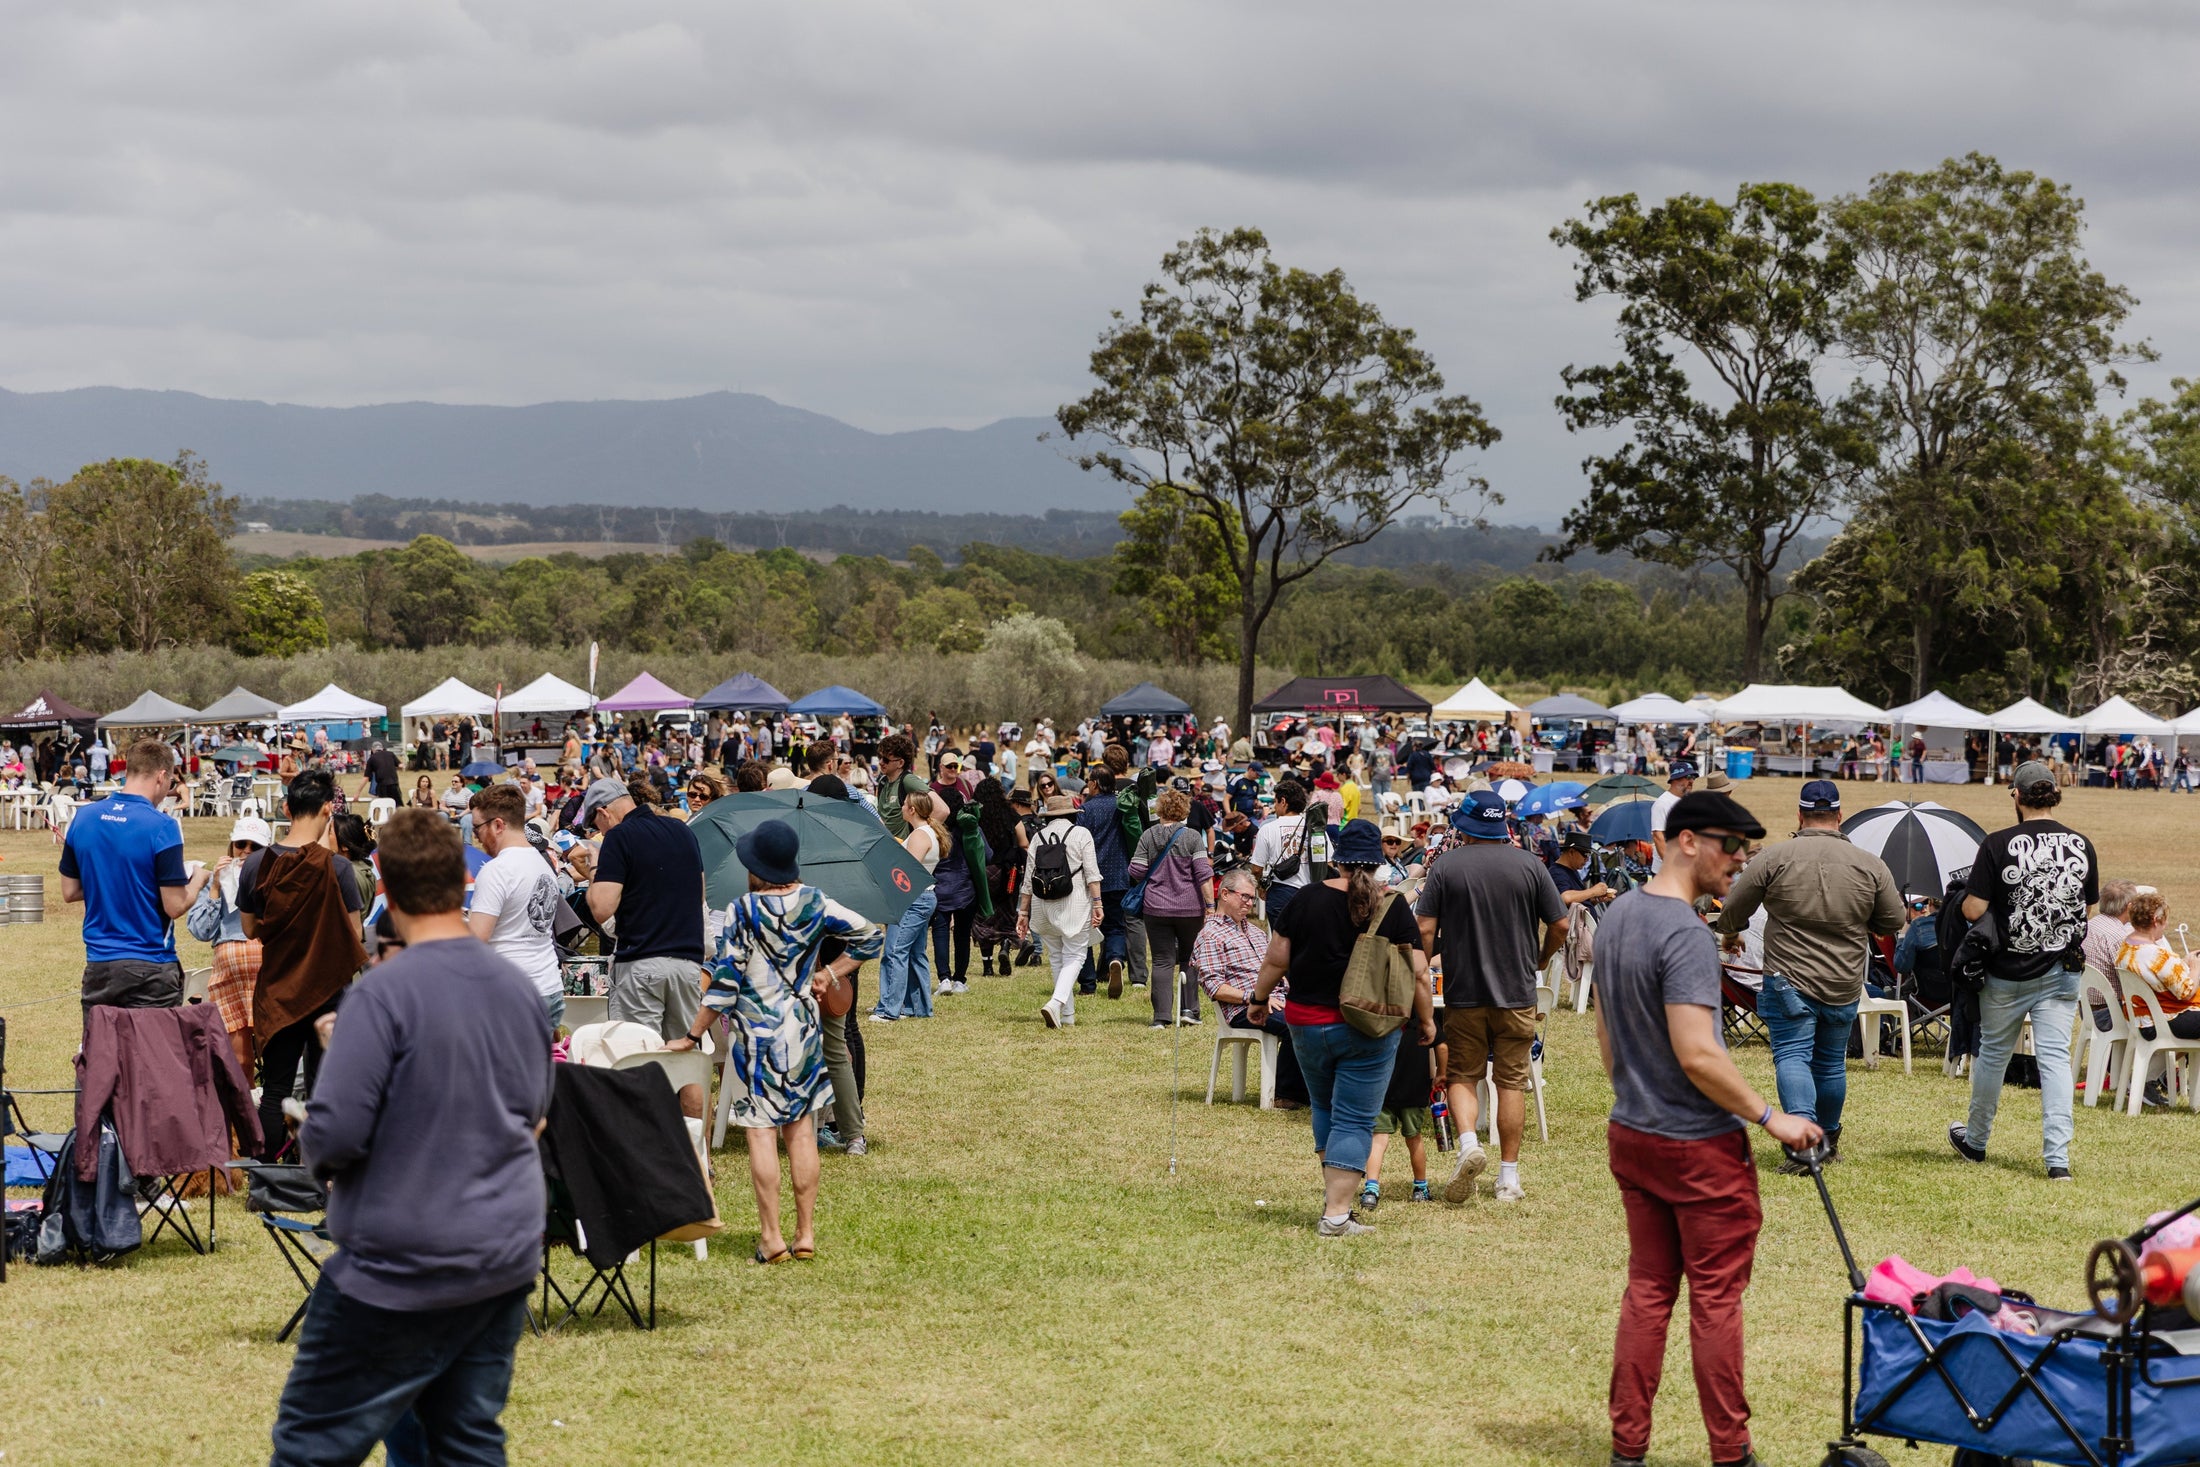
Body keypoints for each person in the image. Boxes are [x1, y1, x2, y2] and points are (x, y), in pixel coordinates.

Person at [267, 810, 552, 1466]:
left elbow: (335, 1131)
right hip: (500, 1254)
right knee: (459, 1441)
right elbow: (534, 1111)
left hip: (399, 1268)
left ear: (386, 894)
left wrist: (313, 1139)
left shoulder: (381, 995)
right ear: (464, 879)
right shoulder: (520, 990)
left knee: (312, 1445)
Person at [1595, 788, 1819, 1467]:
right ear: (1687, 839)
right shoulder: (1687, 933)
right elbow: (1697, 1050)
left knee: (1648, 1289)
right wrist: (1771, 1115)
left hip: (1633, 1131)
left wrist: (1638, 1091)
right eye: (1731, 847)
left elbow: (1608, 1040)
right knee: (1715, 1299)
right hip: (1697, 1145)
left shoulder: (1616, 916)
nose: (1739, 862)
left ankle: (1627, 1446)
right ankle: (1732, 1451)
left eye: (1747, 851)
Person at [663, 819, 880, 1263]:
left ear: (756, 867)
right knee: (801, 1132)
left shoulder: (743, 910)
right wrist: (829, 972)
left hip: (756, 1037)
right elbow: (869, 935)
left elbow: (724, 984)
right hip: (802, 1030)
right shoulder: (815, 902)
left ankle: (771, 1236)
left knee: (761, 1135)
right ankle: (805, 1234)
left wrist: (692, 1034)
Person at [1248, 819, 1434, 1238]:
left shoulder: (1305, 898)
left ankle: (1337, 1197)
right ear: (1380, 861)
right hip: (1369, 1027)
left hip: (1305, 1024)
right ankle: (1335, 1215)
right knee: (1354, 1118)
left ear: (1336, 860)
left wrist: (1259, 1002)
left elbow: (1277, 959)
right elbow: (1419, 973)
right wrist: (1426, 1021)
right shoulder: (1392, 905)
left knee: (1326, 1110)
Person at [1713, 781, 1903, 1172]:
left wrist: (1732, 933)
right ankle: (1827, 1139)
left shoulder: (1774, 858)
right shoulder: (1870, 863)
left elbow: (1732, 910)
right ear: (1840, 815)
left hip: (1788, 977)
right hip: (1843, 979)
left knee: (1792, 1055)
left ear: (1800, 815)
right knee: (1831, 1063)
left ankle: (1803, 1143)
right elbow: (1894, 920)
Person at [1416, 789, 1568, 1204]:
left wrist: (1422, 968)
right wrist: (1539, 960)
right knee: (1511, 1083)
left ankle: (1468, 1145)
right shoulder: (1530, 865)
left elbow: (1425, 928)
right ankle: (1508, 1178)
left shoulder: (1445, 865)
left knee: (1463, 1075)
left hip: (1464, 992)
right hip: (1518, 993)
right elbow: (1561, 925)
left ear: (1463, 826)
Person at [1949, 760, 2097, 1181]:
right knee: (2054, 1061)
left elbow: (1974, 908)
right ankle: (2058, 1160)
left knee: (1993, 1054)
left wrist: (1964, 902)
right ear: (2055, 794)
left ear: (2016, 794)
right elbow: (2086, 908)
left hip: (2006, 970)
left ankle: (1976, 1140)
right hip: (2061, 968)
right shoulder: (2081, 844)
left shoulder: (1997, 844)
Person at [238, 769, 366, 1161]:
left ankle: (268, 1173)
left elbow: (249, 928)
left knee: (275, 1089)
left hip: (279, 989)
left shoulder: (257, 863)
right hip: (328, 992)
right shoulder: (337, 868)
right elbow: (355, 933)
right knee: (323, 1088)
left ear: (287, 807)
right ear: (329, 808)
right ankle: (319, 1171)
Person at [582, 777, 709, 1117]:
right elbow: (699, 895)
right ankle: (699, 1160)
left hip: (641, 963)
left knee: (638, 1065)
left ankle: (647, 1159)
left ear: (603, 812)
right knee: (687, 1067)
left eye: (595, 822)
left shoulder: (618, 837)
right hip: (686, 962)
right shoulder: (682, 831)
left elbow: (601, 908)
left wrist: (595, 865)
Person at [59, 737, 211, 1014]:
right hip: (150, 964)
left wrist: (112, 880)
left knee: (102, 1054)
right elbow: (174, 905)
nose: (168, 791)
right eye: (169, 784)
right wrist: (199, 878)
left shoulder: (84, 818)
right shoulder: (163, 825)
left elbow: (70, 891)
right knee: (152, 1056)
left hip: (100, 965)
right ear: (161, 776)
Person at [1192, 868, 1307, 1104]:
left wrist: (1282, 979)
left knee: (1319, 1019)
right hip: (1242, 1008)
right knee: (1296, 1025)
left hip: (1276, 998)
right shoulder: (1210, 935)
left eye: (1252, 898)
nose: (1249, 903)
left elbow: (1273, 966)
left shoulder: (1255, 932)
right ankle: (1285, 1095)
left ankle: (1312, 1091)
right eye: (1244, 896)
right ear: (1224, 894)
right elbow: (1214, 987)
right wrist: (1254, 997)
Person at [466, 783, 566, 1028]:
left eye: (477, 827)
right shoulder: (544, 863)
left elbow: (476, 940)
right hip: (549, 985)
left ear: (498, 825)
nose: (476, 837)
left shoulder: (497, 870)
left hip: (511, 991)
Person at [185, 814, 272, 1074]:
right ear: (231, 845)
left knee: (273, 1047)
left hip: (266, 965)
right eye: (241, 844)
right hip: (229, 968)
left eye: (254, 847)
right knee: (239, 1056)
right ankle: (244, 1107)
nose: (246, 852)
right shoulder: (218, 880)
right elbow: (201, 930)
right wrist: (214, 888)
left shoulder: (273, 879)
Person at [1125, 787, 1216, 1028]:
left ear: (1160, 810)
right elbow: (1203, 874)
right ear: (1184, 810)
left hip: (1156, 907)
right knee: (1189, 959)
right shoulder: (1193, 837)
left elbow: (1136, 870)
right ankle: (1189, 1010)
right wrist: (1210, 906)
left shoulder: (1148, 836)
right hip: (1189, 908)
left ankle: (1161, 1017)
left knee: (1162, 961)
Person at [1019, 794, 1103, 1029]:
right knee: (1075, 956)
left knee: (1057, 957)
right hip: (1074, 903)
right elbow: (1092, 875)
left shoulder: (1037, 837)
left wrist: (1023, 914)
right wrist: (1098, 904)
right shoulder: (1081, 834)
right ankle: (1056, 1003)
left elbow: (1027, 880)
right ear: (1071, 814)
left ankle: (1067, 1016)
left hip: (1042, 904)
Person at [874, 789, 943, 1020]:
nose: (901, 807)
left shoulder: (920, 835)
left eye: (904, 804)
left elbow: (907, 873)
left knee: (894, 952)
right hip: (923, 898)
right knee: (915, 954)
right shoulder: (925, 833)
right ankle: (917, 1006)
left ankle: (888, 1010)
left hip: (913, 899)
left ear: (912, 809)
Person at [1250, 778, 1324, 924]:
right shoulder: (1316, 829)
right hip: (1311, 893)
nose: (1274, 807)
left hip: (1280, 892)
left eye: (1275, 802)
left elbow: (1257, 869)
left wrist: (1260, 887)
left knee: (1280, 943)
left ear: (1283, 802)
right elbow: (1326, 863)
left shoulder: (1267, 829)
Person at [874, 733, 932, 838]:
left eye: (886, 760)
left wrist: (920, 838)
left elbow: (942, 810)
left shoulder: (908, 781)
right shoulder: (883, 782)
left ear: (900, 763)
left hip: (903, 848)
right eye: (880, 757)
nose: (881, 762)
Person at [1648, 761, 1696, 873]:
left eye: (1693, 777)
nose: (1692, 781)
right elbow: (1658, 837)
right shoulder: (1662, 803)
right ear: (1675, 779)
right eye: (1688, 777)